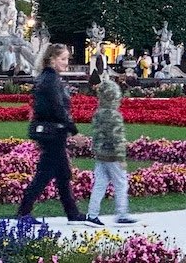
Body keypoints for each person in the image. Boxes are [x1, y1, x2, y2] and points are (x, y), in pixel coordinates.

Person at [17, 43, 88, 224]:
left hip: (51, 131)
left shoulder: (46, 78)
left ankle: (72, 213)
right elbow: (58, 109)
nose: (66, 63)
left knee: (62, 173)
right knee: (45, 174)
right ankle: (24, 212)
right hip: (54, 132)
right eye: (63, 59)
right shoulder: (52, 80)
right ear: (52, 60)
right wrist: (74, 131)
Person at [85, 79, 137, 225]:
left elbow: (96, 135)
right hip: (113, 156)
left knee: (99, 184)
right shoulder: (115, 115)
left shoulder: (98, 113)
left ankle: (92, 214)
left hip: (100, 155)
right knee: (121, 183)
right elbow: (117, 137)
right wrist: (122, 157)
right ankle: (122, 213)